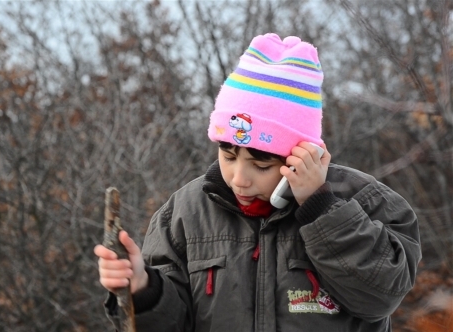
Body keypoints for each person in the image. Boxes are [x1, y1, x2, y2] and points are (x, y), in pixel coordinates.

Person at [94, 33, 421, 331]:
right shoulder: (183, 214)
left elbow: (381, 298)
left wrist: (321, 209)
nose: (239, 179)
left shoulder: (365, 201)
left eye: (261, 164)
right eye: (228, 155)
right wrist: (142, 288)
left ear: (302, 154)